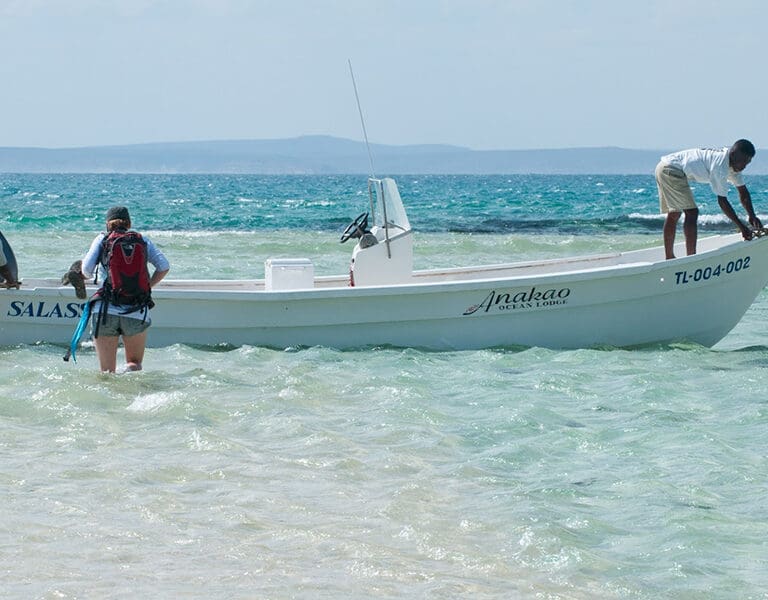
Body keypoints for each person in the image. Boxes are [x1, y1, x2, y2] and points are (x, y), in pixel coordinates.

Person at [80, 206, 169, 373]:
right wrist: (147, 286)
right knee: (134, 364)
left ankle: (110, 397)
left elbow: (86, 270)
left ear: (108, 223)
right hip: (136, 309)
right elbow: (164, 266)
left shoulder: (102, 239)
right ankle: (133, 397)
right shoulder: (142, 240)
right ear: (129, 223)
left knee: (107, 372)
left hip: (105, 310)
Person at [655, 139, 762, 260]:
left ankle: (670, 257)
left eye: (747, 163)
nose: (743, 167)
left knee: (674, 213)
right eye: (742, 162)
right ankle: (691, 258)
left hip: (665, 168)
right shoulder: (720, 165)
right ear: (733, 155)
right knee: (691, 212)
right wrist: (742, 227)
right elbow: (722, 201)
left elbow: (743, 193)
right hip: (670, 170)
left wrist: (752, 216)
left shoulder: (734, 167)